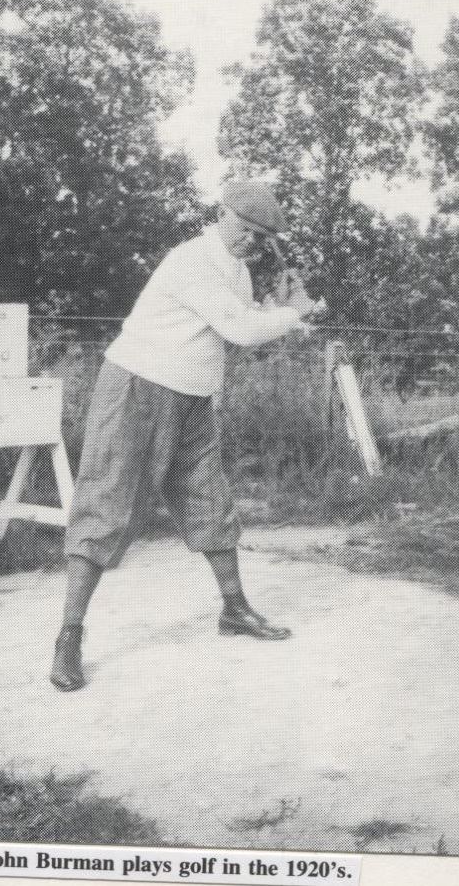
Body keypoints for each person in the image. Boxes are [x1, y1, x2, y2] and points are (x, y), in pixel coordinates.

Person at [51, 179, 316, 691]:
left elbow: (237, 328)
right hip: (137, 387)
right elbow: (240, 330)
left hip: (193, 396)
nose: (250, 243)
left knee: (210, 501)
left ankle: (235, 610)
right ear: (221, 215)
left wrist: (278, 308)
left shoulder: (236, 271)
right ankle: (68, 636)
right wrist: (291, 314)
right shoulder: (189, 261)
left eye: (261, 238)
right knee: (105, 508)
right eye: (243, 229)